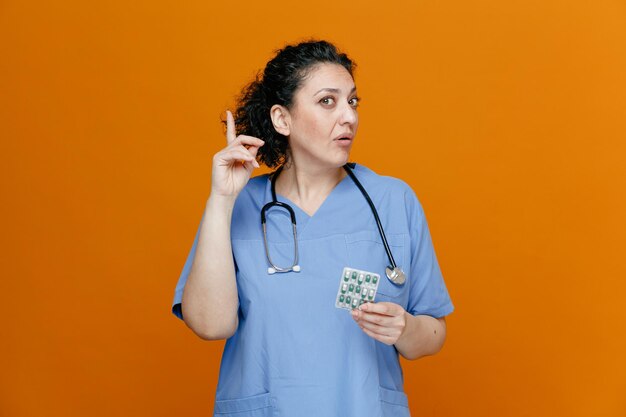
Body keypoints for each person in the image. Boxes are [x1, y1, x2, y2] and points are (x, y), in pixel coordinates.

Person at [172, 40, 454, 417]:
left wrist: (405, 329)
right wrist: (221, 200)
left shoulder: (393, 200)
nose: (349, 117)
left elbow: (433, 334)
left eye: (352, 102)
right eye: (327, 101)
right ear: (281, 119)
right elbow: (210, 325)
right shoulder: (239, 206)